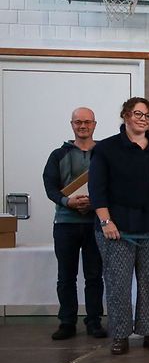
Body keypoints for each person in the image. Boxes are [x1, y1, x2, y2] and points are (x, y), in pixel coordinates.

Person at [89, 97, 149, 355]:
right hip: (117, 229)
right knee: (118, 284)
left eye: (147, 116)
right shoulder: (106, 149)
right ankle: (120, 335)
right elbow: (97, 189)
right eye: (138, 114)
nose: (142, 119)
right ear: (126, 115)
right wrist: (106, 221)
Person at [42, 107, 105, 340]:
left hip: (95, 223)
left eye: (87, 122)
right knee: (66, 276)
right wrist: (66, 201)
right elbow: (50, 186)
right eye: (78, 122)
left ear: (94, 125)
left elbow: (113, 184)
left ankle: (94, 321)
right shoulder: (57, 155)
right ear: (72, 125)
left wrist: (95, 204)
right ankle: (67, 322)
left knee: (94, 276)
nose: (83, 126)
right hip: (65, 223)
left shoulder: (104, 154)